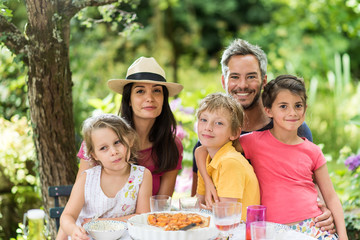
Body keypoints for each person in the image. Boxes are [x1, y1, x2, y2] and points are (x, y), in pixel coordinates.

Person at [191, 38, 335, 233]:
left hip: (287, 226)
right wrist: (207, 184)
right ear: (224, 81)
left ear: (264, 81)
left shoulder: (292, 128)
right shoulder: (214, 133)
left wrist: (325, 209)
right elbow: (198, 195)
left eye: (251, 76)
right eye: (234, 77)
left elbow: (310, 183)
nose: (242, 85)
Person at [198, 75, 348, 240]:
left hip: (312, 225)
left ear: (305, 109)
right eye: (283, 106)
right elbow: (203, 150)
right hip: (271, 230)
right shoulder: (253, 141)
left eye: (298, 106)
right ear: (268, 110)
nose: (292, 112)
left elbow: (332, 197)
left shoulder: (313, 151)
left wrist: (343, 236)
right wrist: (207, 180)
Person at [77, 57, 184, 196]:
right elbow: (81, 194)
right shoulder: (100, 139)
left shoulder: (172, 145)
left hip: (149, 217)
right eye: (140, 91)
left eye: (157, 91)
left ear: (164, 99)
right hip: (101, 217)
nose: (150, 98)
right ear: (129, 100)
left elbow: (162, 204)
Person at [57, 114, 152, 240]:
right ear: (94, 155)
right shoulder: (87, 179)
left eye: (117, 142)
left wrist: (101, 222)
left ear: (130, 140)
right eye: (103, 148)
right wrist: (74, 230)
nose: (113, 151)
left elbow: (142, 217)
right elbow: (67, 216)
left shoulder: (142, 175)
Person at [195, 93, 260, 221]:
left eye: (218, 123)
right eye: (204, 120)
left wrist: (201, 209)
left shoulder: (230, 162)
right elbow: (199, 201)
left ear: (234, 133)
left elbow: (226, 215)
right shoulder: (207, 160)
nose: (208, 127)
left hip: (239, 231)